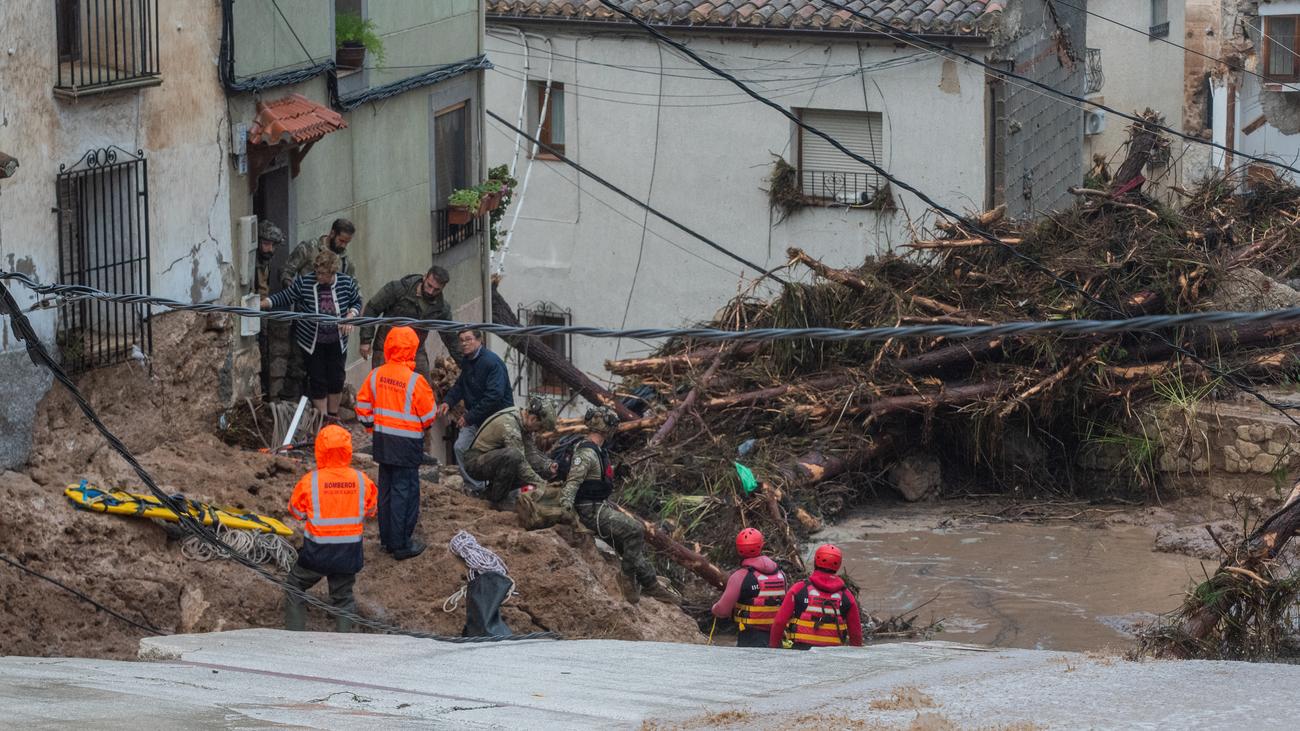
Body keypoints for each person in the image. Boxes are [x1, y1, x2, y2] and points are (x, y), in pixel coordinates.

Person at [558, 407, 682, 606]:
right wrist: (566, 512)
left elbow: (594, 476)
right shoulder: (586, 453)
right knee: (635, 530)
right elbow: (573, 482)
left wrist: (615, 471)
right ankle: (626, 579)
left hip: (598, 506)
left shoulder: (597, 450)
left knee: (628, 546)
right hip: (590, 510)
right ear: (607, 428)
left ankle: (650, 583)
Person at [284, 424, 378, 632]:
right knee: (343, 598)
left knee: (294, 586)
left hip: (317, 552)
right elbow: (371, 510)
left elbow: (296, 512)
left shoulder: (311, 481)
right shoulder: (362, 480)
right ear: (348, 450)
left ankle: (293, 638)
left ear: (320, 450)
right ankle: (343, 644)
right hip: (348, 553)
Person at [354, 326, 437, 560]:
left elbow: (362, 408)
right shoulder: (415, 381)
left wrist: (372, 426)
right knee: (405, 492)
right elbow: (429, 416)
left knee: (387, 490)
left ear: (389, 346)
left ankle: (387, 540)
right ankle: (401, 545)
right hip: (407, 444)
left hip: (382, 442)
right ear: (412, 349)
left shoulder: (376, 375)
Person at [263, 248, 362, 424]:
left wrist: (350, 316)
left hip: (337, 341)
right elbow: (287, 296)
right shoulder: (305, 283)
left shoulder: (346, 283)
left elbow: (356, 301)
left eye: (323, 274)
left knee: (336, 378)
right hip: (313, 341)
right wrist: (265, 303)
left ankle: (333, 416)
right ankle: (322, 419)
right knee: (318, 379)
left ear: (333, 273)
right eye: (317, 273)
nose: (319, 277)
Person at [440, 329, 513, 492]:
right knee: (460, 447)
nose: (464, 343)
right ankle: (475, 487)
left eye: (468, 339)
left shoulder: (491, 363)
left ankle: (503, 492)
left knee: (498, 455)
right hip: (477, 418)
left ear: (480, 340)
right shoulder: (468, 361)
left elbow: (495, 395)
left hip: (497, 419)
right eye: (461, 340)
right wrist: (448, 401)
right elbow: (460, 385)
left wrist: (469, 416)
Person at [358, 266, 460, 374]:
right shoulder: (398, 289)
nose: (430, 291)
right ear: (424, 277)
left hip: (416, 351)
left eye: (436, 290)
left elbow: (451, 339)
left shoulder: (441, 308)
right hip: (387, 348)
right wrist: (365, 340)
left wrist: (466, 364)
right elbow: (372, 308)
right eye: (429, 285)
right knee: (385, 384)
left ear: (443, 288)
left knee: (423, 386)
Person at [461, 396, 557, 509]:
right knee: (514, 456)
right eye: (539, 428)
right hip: (474, 462)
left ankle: (488, 495)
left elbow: (532, 454)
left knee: (539, 467)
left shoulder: (523, 423)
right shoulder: (510, 423)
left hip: (491, 460)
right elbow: (520, 461)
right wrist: (541, 483)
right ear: (533, 419)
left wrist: (548, 466)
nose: (538, 432)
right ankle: (497, 500)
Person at [769, 543, 863, 649]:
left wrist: (774, 648)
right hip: (833, 657)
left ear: (815, 561)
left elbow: (779, 622)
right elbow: (856, 634)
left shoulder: (799, 589)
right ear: (838, 565)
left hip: (800, 654)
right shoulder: (847, 596)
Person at [711, 528, 787, 647]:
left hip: (750, 638)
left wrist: (715, 609)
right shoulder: (781, 574)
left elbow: (722, 611)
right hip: (776, 638)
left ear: (738, 549)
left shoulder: (739, 576)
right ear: (762, 545)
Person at [249, 220, 295, 401]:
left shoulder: (266, 261)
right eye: (266, 244)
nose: (269, 249)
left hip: (263, 314)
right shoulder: (253, 262)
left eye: (272, 245)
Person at [283, 218, 357, 286]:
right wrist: (293, 293)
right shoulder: (309, 248)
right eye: (341, 241)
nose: (343, 246)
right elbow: (286, 271)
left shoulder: (345, 261)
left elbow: (354, 286)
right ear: (332, 234)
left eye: (347, 243)